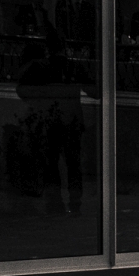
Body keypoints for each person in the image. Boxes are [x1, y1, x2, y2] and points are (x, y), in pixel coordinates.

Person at [16, 30, 99, 215]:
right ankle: (75, 204)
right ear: (65, 47)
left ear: (48, 47)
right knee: (73, 164)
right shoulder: (74, 67)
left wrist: (41, 102)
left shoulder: (40, 67)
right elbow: (95, 92)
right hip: (71, 121)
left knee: (51, 164)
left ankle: (55, 204)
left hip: (50, 120)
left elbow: (22, 90)